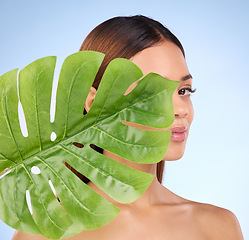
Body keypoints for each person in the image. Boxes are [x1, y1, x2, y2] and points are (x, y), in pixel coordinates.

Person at [12, 15, 244, 240]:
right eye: (153, 93)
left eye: (183, 91)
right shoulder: (45, 233)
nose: (181, 109)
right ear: (95, 104)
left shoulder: (218, 227)